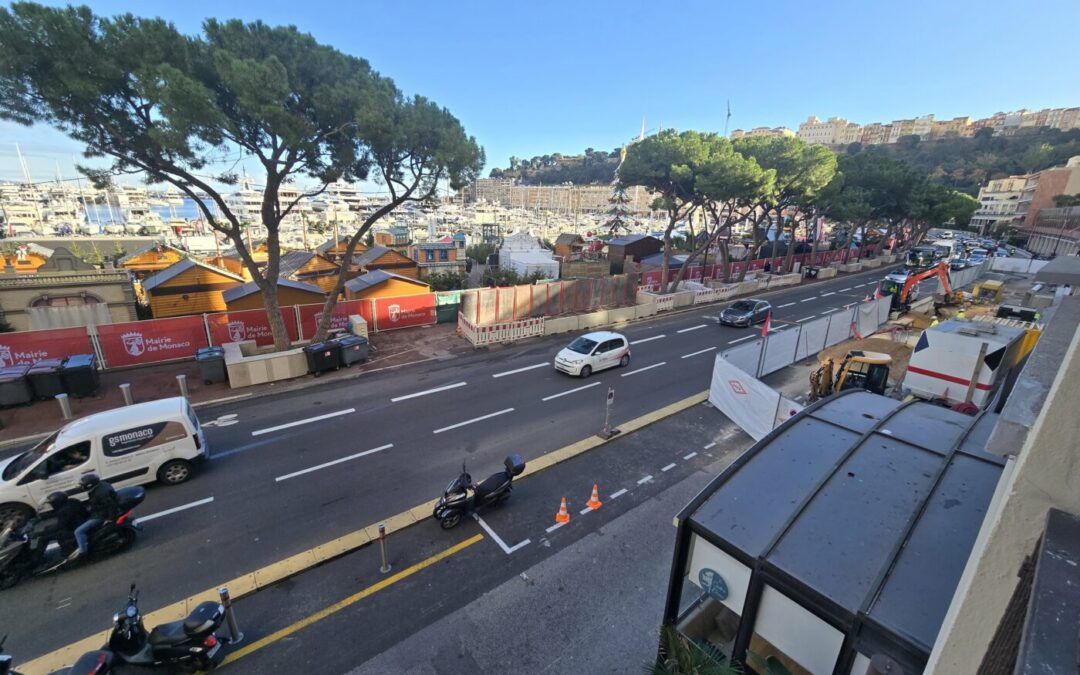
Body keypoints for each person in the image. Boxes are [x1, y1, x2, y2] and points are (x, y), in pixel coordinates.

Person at [69, 474, 119, 562]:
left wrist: (110, 519)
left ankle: (83, 552)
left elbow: (110, 506)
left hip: (100, 516)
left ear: (89, 485)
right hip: (96, 511)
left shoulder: (101, 493)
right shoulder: (100, 486)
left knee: (78, 531)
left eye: (83, 485)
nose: (82, 487)